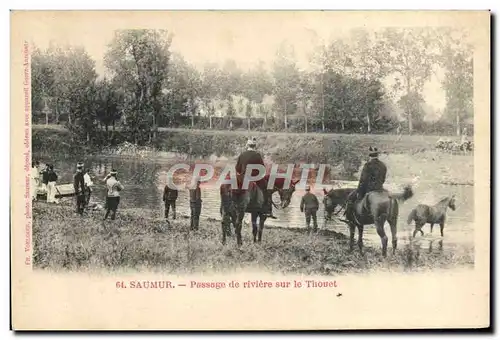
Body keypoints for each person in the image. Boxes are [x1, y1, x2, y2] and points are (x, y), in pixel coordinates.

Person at [235, 138, 277, 219]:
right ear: (255, 146)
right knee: (267, 189)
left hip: (244, 178)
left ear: (247, 145)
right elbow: (262, 169)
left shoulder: (242, 155)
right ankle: (267, 210)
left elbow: (238, 169)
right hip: (255, 178)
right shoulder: (257, 155)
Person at [345, 147, 387, 219]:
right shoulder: (383, 165)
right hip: (380, 189)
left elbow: (363, 180)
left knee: (350, 198)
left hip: (369, 189)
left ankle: (349, 218)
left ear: (369, 156)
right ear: (377, 155)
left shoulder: (367, 165)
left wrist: (359, 190)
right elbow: (383, 179)